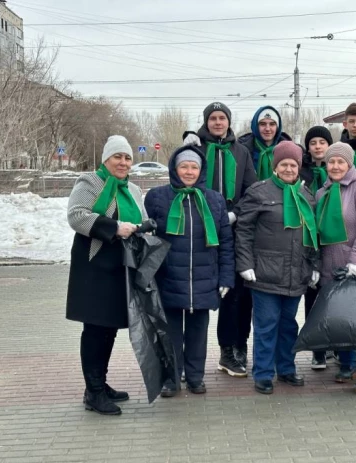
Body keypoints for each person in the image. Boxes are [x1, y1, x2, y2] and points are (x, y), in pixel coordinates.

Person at [66, 135, 147, 416]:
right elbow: (76, 216)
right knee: (95, 328)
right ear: (106, 159)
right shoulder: (90, 182)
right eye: (118, 157)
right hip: (94, 264)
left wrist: (142, 227)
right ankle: (94, 391)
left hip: (120, 267)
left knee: (109, 327)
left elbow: (139, 218)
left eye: (127, 158)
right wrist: (114, 227)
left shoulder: (133, 189)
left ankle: (100, 382)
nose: (123, 162)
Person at [144, 146, 235, 396]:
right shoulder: (157, 197)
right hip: (169, 278)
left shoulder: (214, 199)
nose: (189, 171)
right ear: (174, 168)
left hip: (204, 279)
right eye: (184, 166)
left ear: (201, 170)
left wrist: (226, 277)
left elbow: (226, 242)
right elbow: (148, 238)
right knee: (171, 334)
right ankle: (172, 378)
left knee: (197, 333)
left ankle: (195, 377)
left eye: (194, 167)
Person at [235, 141, 319, 395]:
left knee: (288, 324)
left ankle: (286, 369)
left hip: (296, 273)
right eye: (283, 164)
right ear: (275, 167)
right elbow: (244, 230)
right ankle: (263, 373)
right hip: (265, 272)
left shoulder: (306, 196)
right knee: (266, 324)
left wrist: (315, 265)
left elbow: (314, 233)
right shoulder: (259, 192)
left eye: (293, 165)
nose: (289, 169)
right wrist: (245, 263)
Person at [184, 102, 258, 377]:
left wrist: (234, 214)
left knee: (237, 294)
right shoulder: (196, 148)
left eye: (222, 118)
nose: (218, 123)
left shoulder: (241, 152)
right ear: (206, 121)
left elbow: (251, 190)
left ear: (229, 122)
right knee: (197, 291)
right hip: (199, 229)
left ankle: (235, 347)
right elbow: (183, 177)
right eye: (213, 118)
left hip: (233, 229)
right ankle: (188, 359)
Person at [315, 142, 356, 394]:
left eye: (340, 162)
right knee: (339, 317)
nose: (335, 166)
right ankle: (346, 363)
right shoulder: (323, 193)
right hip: (331, 266)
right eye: (331, 161)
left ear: (349, 164)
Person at [299, 125, 333, 370]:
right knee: (312, 295)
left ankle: (335, 343)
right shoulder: (302, 173)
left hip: (332, 241)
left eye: (323, 142)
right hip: (309, 241)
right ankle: (317, 350)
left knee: (333, 296)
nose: (318, 146)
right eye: (313, 143)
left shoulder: (337, 170)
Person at [239, 105, 292, 180]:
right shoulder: (243, 150)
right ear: (256, 126)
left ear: (277, 127)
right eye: (263, 124)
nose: (267, 129)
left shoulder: (289, 150)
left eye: (272, 124)